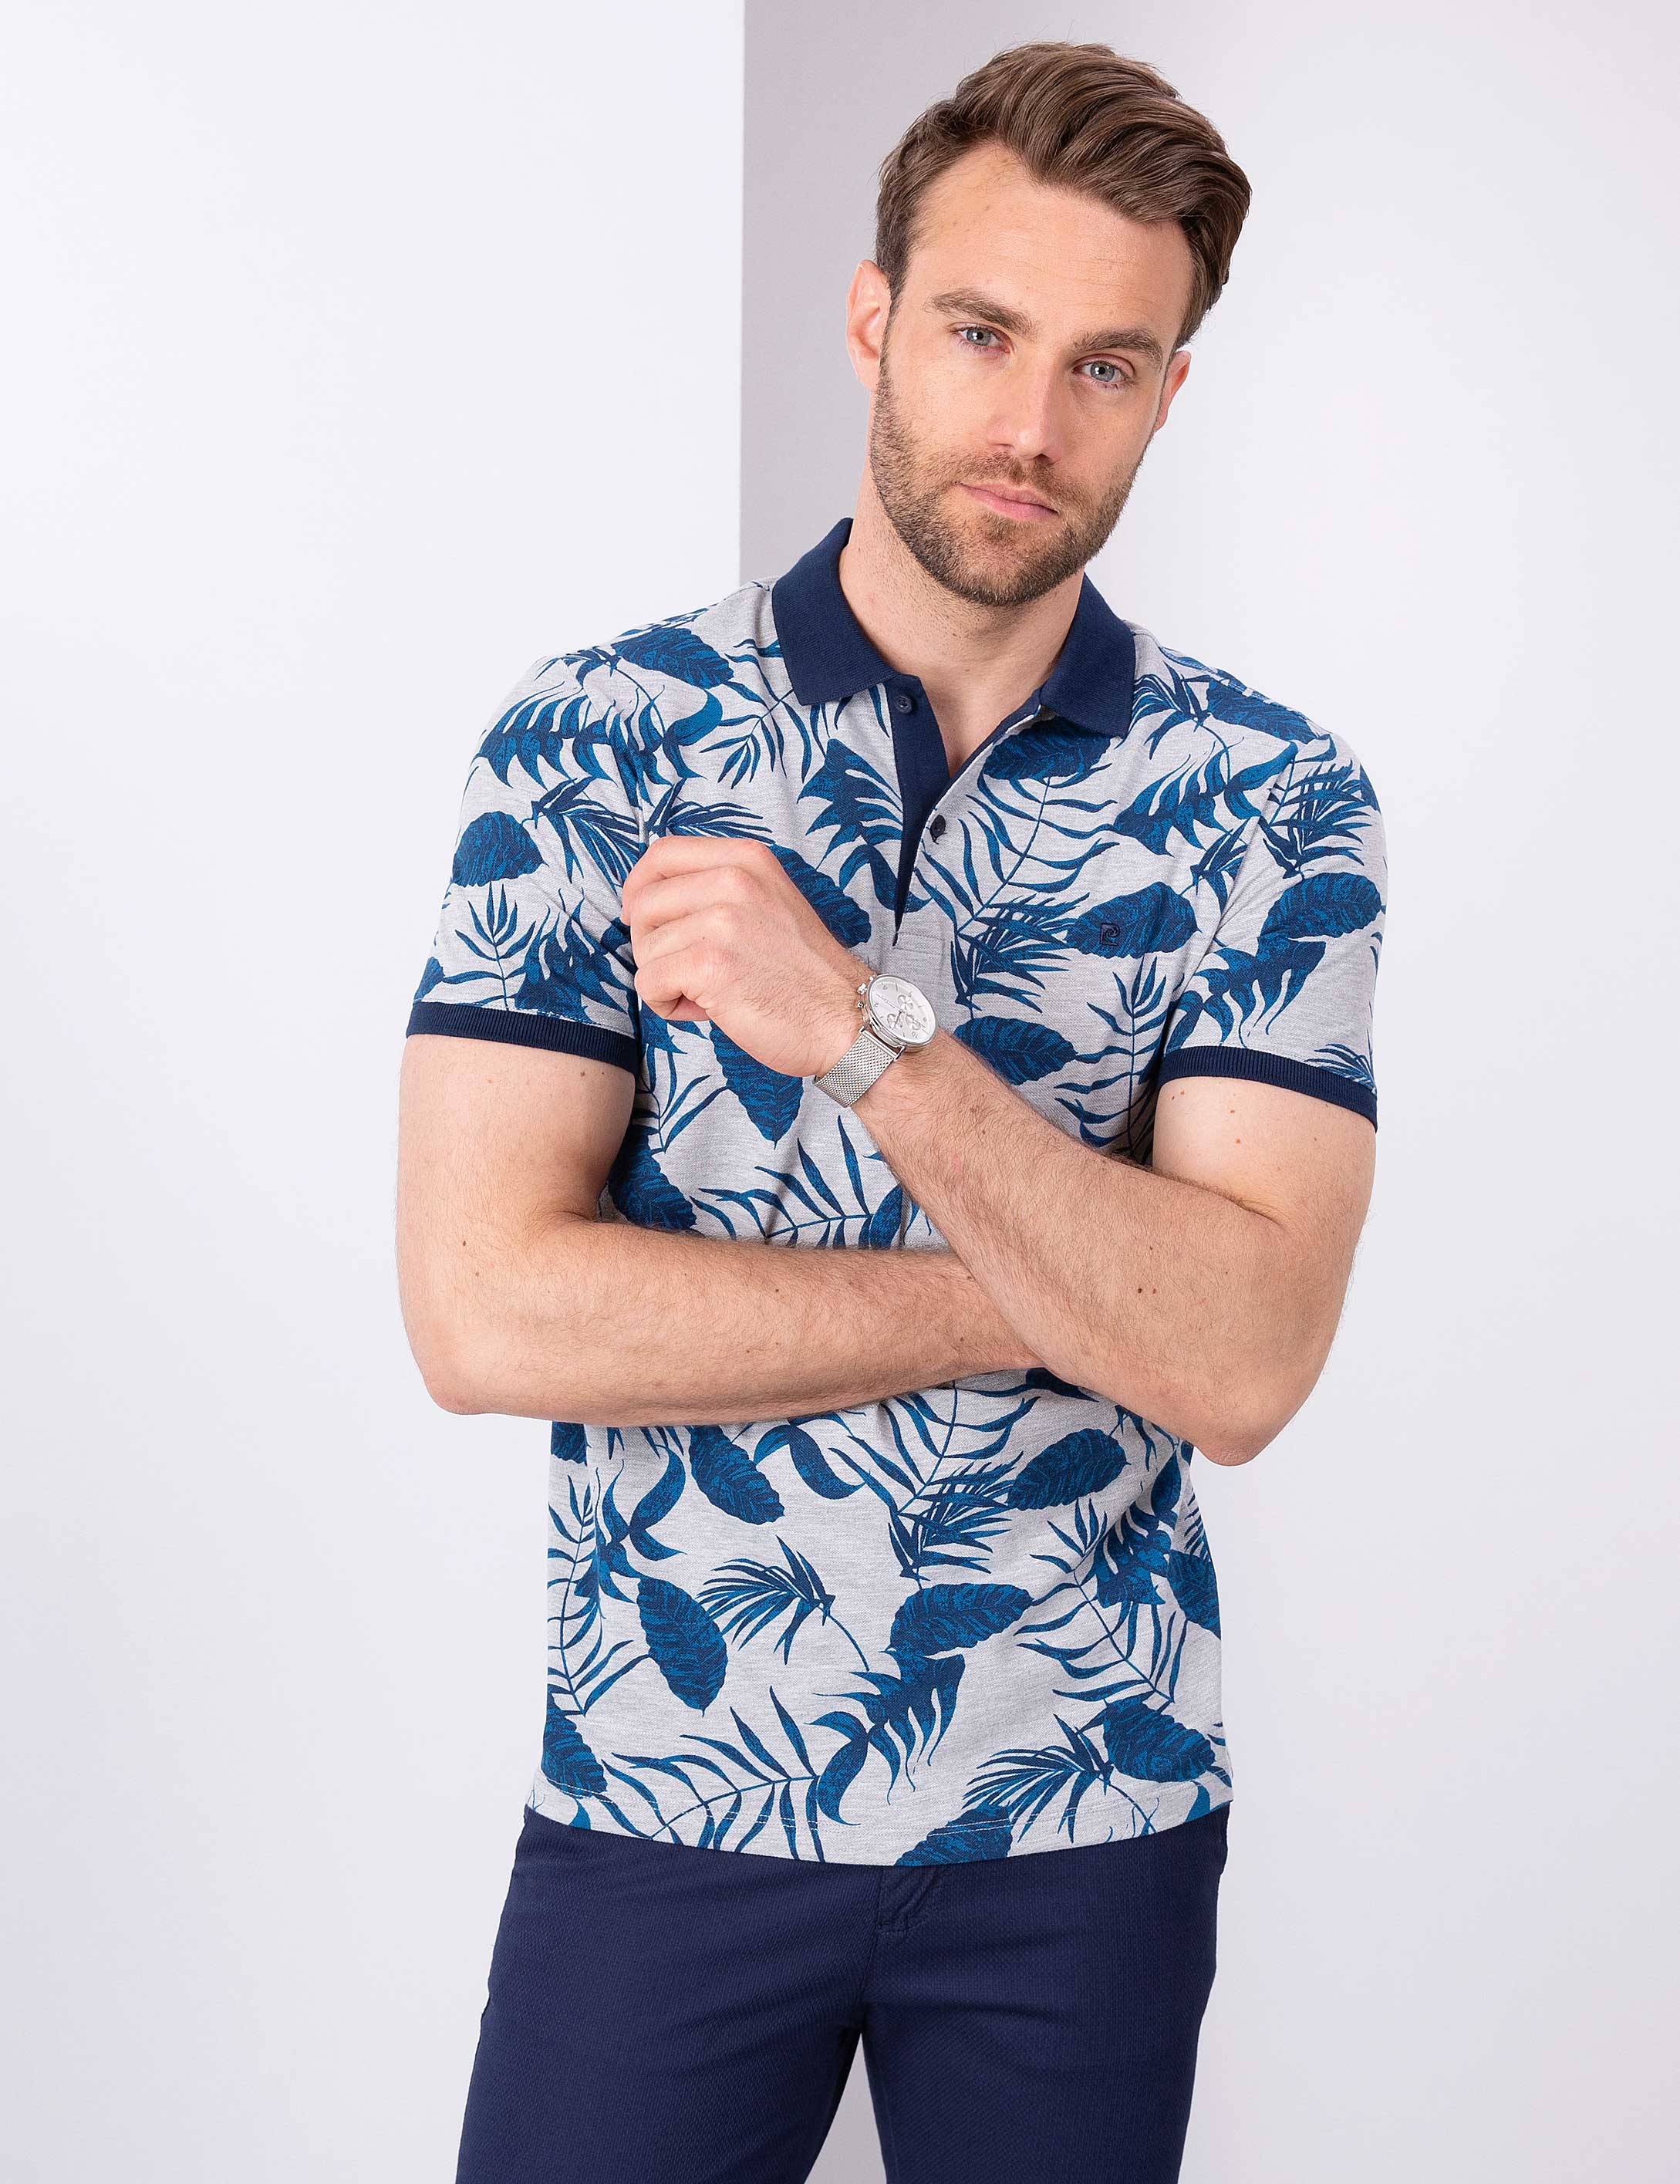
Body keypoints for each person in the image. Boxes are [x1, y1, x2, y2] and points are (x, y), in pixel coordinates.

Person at [396, 37, 1387, 2184]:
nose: (1030, 426)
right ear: (871, 319)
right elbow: (485, 1312)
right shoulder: (592, 739)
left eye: (1106, 366)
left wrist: (866, 1042)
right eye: (979, 333)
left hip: (1090, 1812)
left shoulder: (1273, 799)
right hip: (662, 1794)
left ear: (1171, 394)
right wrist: (1068, 1294)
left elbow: (1240, 1366)